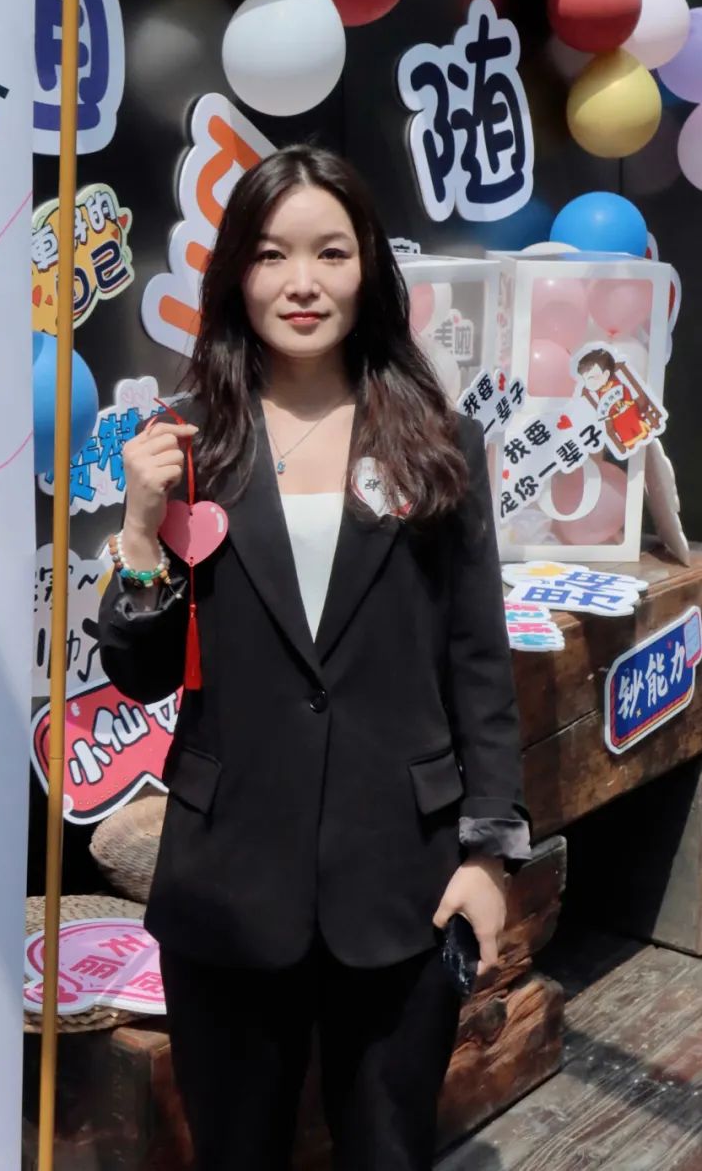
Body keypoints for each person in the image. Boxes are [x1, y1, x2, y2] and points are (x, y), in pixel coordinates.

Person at [97, 145, 530, 1171]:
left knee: (389, 1147)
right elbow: (142, 675)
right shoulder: (187, 441)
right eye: (271, 254)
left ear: (369, 266)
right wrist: (142, 532)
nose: (302, 281)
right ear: (235, 275)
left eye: (331, 252)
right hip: (228, 883)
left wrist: (487, 857)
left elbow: (478, 659)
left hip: (403, 881)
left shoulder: (436, 440)